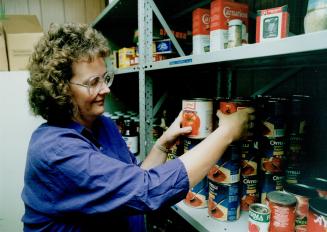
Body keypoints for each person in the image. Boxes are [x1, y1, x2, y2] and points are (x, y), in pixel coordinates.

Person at [22, 22, 254, 232]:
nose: (106, 89)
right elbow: (147, 191)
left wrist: (162, 145)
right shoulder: (56, 151)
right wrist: (226, 133)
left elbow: (133, 182)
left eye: (105, 78)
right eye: (93, 82)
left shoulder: (102, 125)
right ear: (61, 89)